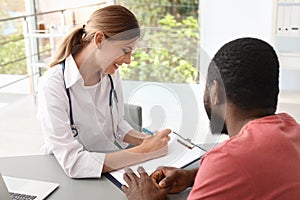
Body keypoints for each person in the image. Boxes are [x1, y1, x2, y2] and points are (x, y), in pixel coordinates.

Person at [122, 37, 300, 199]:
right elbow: (264, 170)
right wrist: (194, 176)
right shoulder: (292, 130)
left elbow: (237, 164)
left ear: (216, 92)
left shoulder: (227, 159)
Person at [37, 5, 171, 178]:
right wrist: (143, 151)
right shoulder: (53, 84)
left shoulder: (110, 73)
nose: (128, 61)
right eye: (125, 51)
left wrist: (146, 140)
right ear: (99, 40)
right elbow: (74, 164)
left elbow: (117, 125)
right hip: (60, 175)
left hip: (104, 167)